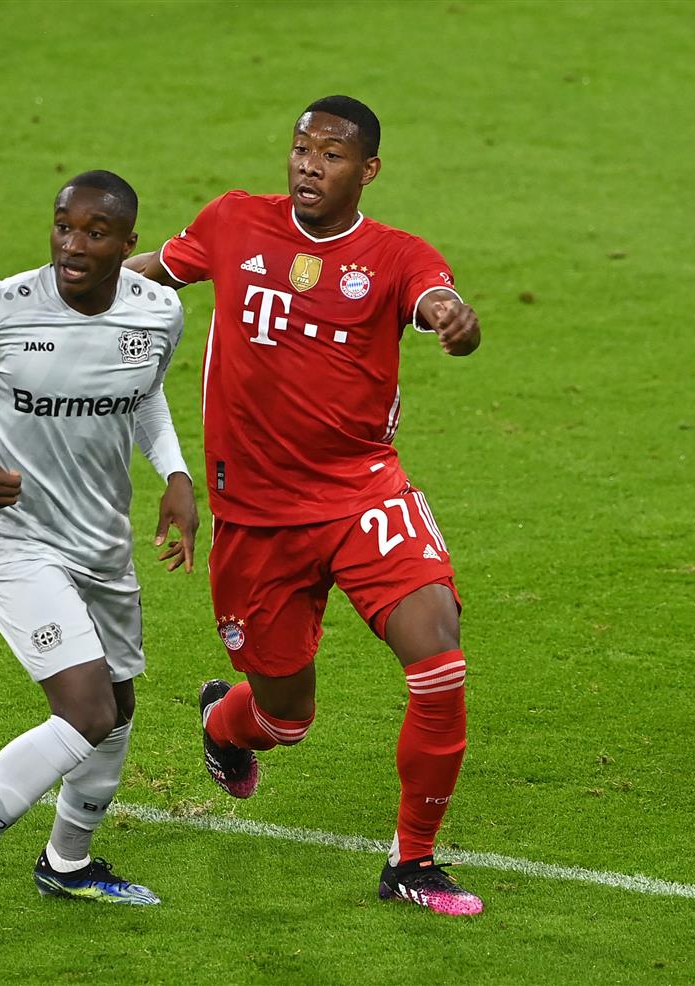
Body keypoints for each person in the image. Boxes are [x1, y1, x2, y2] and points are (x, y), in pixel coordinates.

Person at [124, 96, 485, 916]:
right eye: (300, 149)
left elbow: (436, 298)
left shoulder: (396, 257)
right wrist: (54, 292)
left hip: (364, 492)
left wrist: (452, 320)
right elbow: (155, 271)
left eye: (330, 154)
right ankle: (226, 724)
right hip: (255, 518)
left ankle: (413, 864)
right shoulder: (233, 222)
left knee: (440, 660)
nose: (309, 165)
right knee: (286, 719)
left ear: (368, 171)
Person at [0, 170, 198, 958]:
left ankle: (67, 862)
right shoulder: (0, 310)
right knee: (87, 711)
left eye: (96, 233)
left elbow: (145, 397)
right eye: (63, 227)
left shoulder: (158, 311)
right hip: (14, 542)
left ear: (129, 245)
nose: (73, 245)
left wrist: (175, 475)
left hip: (101, 543)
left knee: (119, 708)